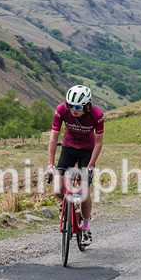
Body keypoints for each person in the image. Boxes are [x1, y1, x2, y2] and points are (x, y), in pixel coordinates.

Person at [47, 85, 105, 246]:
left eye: (78, 107)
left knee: (85, 192)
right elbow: (53, 138)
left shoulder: (97, 115)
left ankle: (85, 227)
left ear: (87, 106)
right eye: (70, 105)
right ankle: (66, 205)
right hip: (68, 148)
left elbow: (99, 143)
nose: (74, 109)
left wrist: (91, 165)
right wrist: (50, 164)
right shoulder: (61, 110)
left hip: (87, 150)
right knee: (58, 190)